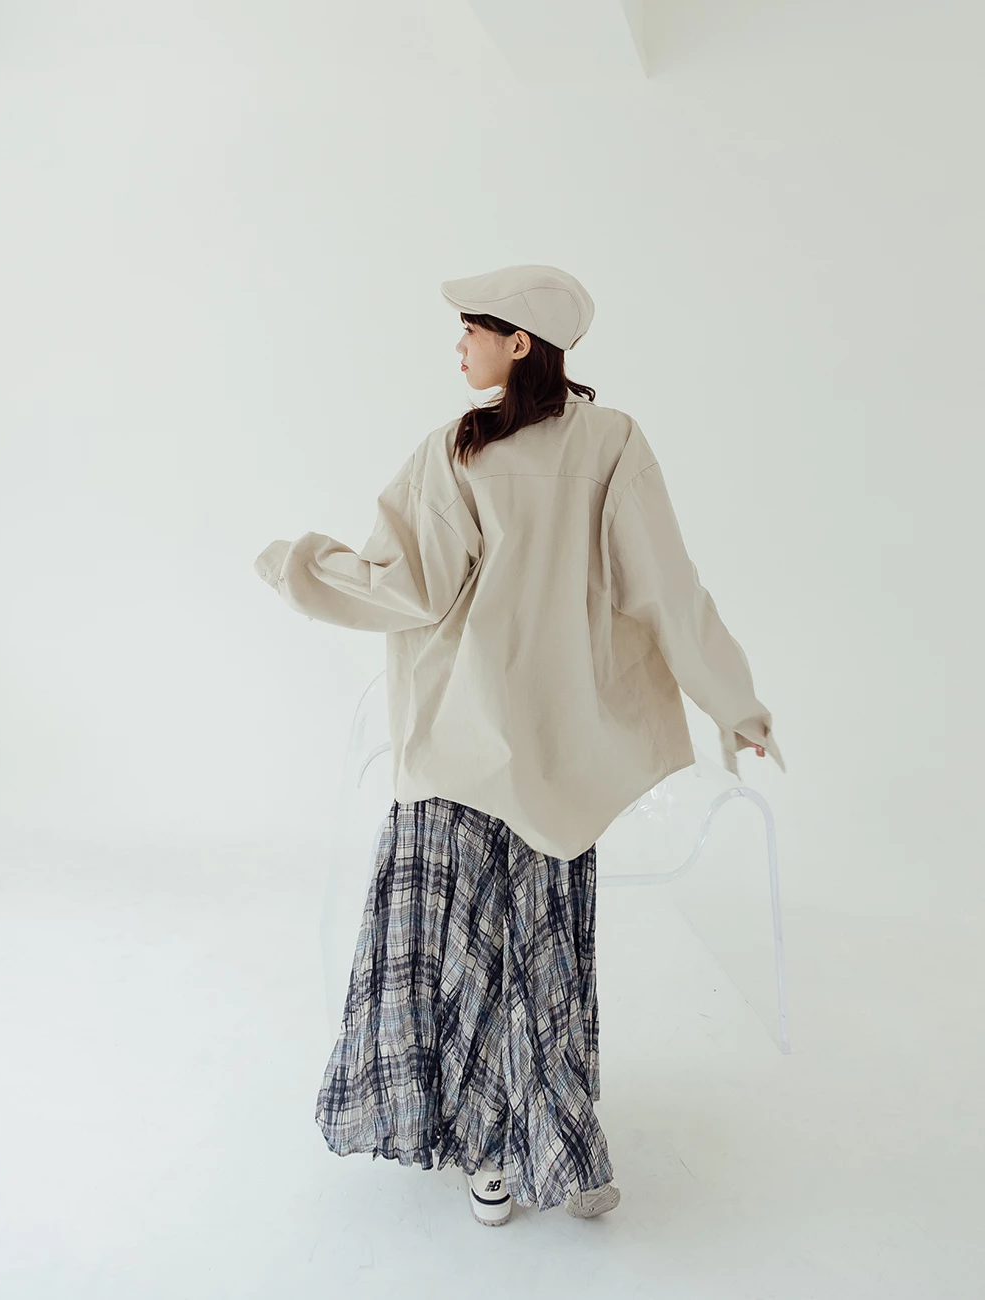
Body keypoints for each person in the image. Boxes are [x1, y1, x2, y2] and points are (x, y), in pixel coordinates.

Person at [253, 264, 785, 1226]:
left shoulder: (458, 449)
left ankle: (506, 1160)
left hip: (462, 749)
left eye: (472, 328)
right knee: (543, 957)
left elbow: (403, 586)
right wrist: (733, 700)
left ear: (520, 341)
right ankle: (549, 1151)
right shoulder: (611, 442)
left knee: (464, 956)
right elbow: (667, 585)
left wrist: (297, 567)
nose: (458, 345)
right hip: (556, 759)